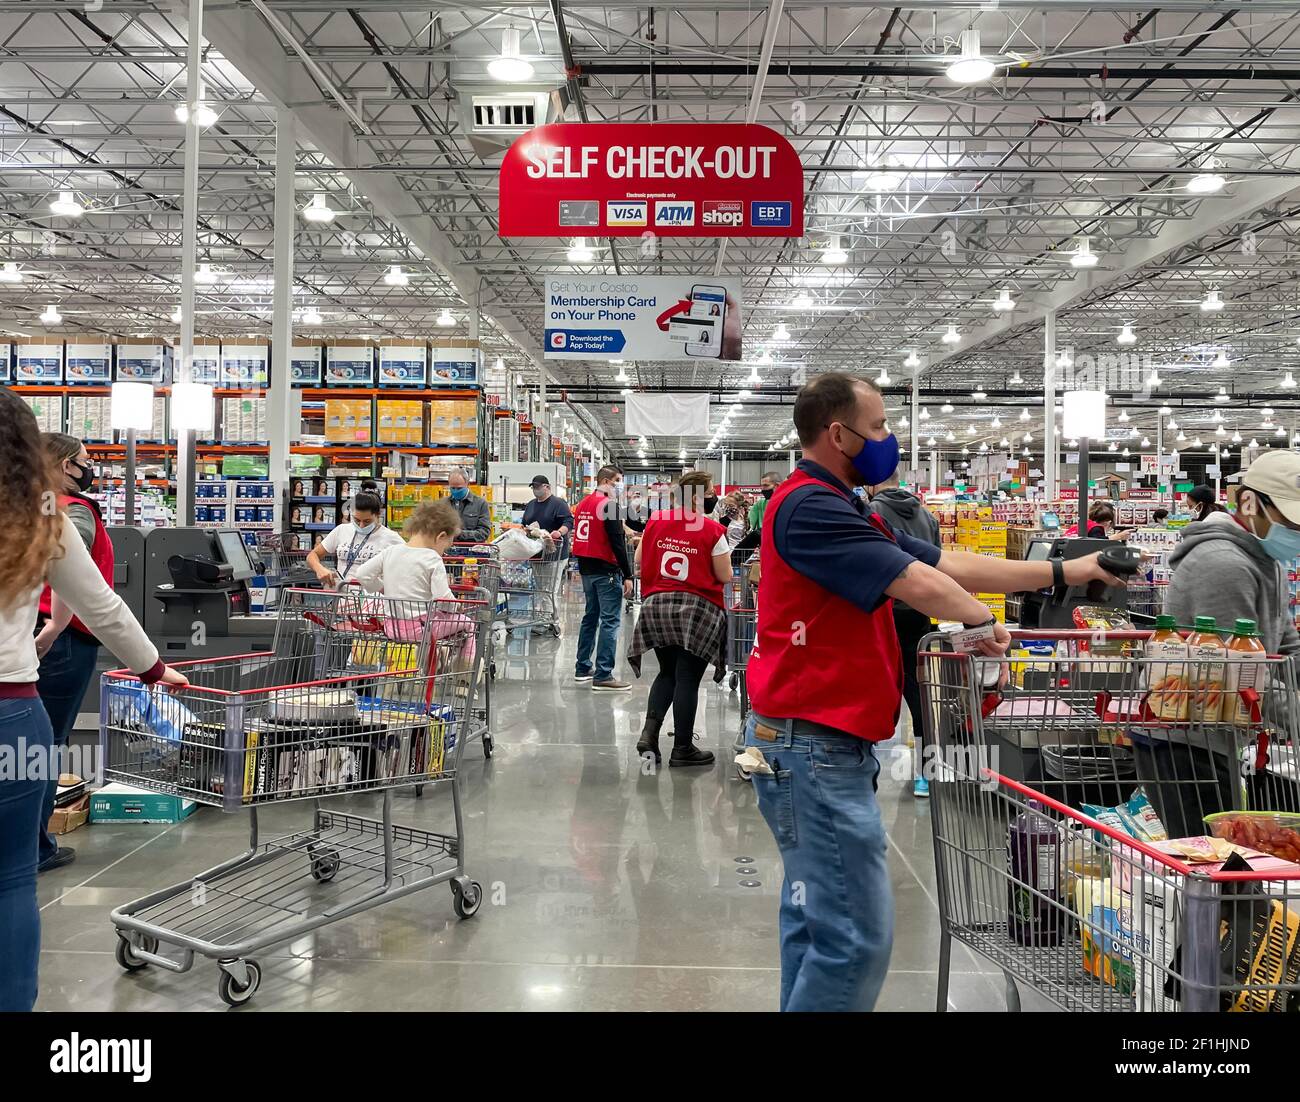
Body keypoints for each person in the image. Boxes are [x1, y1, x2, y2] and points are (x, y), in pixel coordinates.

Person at [741, 371, 1121, 1013]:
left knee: (817, 924)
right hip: (811, 746)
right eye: (881, 424)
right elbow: (920, 583)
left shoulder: (846, 503)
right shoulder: (811, 504)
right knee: (856, 939)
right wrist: (981, 622)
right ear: (840, 433)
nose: (889, 438)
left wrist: (1066, 568)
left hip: (820, 743)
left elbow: (949, 563)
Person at [0, 389, 187, 1012]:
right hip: (11, 716)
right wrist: (154, 668)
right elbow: (102, 603)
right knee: (10, 883)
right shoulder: (44, 512)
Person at [1154, 451, 1300, 834]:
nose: (1296, 532)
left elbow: (1286, 647)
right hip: (1186, 737)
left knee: (1228, 871)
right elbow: (1237, 678)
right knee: (1218, 870)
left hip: (1221, 734)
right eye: (1289, 519)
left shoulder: (1268, 558)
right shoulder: (1224, 564)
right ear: (1249, 502)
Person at [30, 434, 111, 872]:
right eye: (85, 460)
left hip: (27, 629)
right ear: (64, 466)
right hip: (58, 639)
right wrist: (56, 625)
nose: (91, 465)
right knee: (44, 746)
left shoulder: (28, 506)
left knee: (23, 744)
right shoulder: (74, 510)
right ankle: (36, 849)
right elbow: (65, 564)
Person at [627, 471, 731, 768]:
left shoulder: (656, 521)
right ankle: (682, 748)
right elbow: (724, 575)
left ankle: (649, 734)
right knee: (688, 678)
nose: (713, 497)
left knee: (667, 673)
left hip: (656, 606)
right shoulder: (712, 530)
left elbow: (638, 560)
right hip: (696, 610)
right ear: (697, 497)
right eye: (710, 492)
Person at [868, 470, 941, 799]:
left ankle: (863, 768)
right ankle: (926, 774)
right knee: (920, 695)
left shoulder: (871, 512)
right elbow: (936, 565)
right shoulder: (927, 516)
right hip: (919, 612)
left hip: (882, 612)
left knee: (869, 691)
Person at [571, 465, 634, 691]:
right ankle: (603, 674)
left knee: (591, 617)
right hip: (606, 569)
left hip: (586, 568)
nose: (620, 486)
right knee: (610, 621)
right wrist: (628, 574)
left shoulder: (583, 504)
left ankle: (582, 667)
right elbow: (618, 544)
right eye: (618, 480)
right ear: (606, 481)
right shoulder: (610, 506)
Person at [351, 499, 460, 602]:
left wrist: (383, 588)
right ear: (441, 536)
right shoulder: (432, 558)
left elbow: (362, 574)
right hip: (422, 620)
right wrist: (456, 607)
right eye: (445, 547)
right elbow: (443, 599)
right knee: (465, 622)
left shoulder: (390, 551)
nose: (443, 553)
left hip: (391, 620)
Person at [307, 485, 402, 586]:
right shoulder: (342, 530)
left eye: (367, 521)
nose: (361, 525)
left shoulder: (391, 538)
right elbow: (312, 555)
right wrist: (319, 569)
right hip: (342, 595)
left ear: (378, 514)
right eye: (356, 520)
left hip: (373, 599)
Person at [521, 475, 573, 555]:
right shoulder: (530, 504)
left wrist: (559, 532)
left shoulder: (559, 504)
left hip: (554, 554)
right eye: (533, 487)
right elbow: (524, 524)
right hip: (534, 553)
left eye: (537, 487)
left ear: (547, 487)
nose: (535, 490)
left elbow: (568, 522)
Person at [447, 467, 491, 543]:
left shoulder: (480, 504)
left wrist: (460, 534)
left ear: (467, 484)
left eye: (459, 488)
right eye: (452, 488)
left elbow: (484, 533)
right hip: (447, 551)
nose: (455, 491)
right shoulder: (443, 504)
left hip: (472, 551)